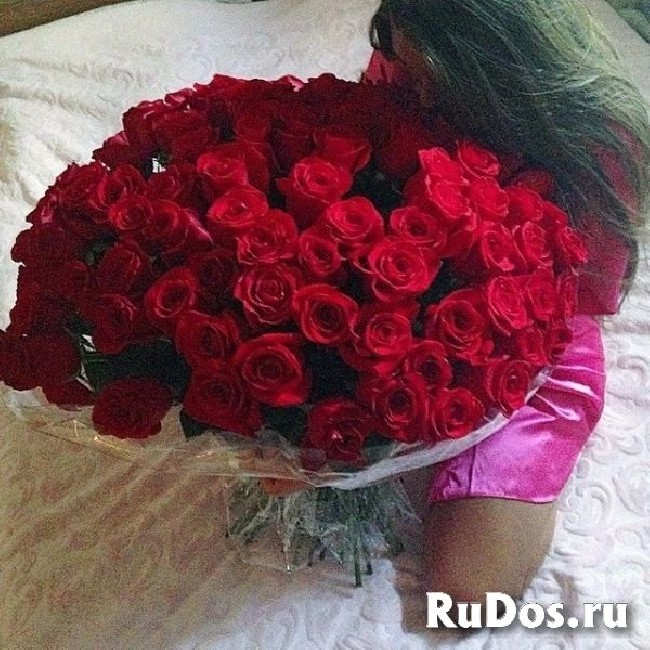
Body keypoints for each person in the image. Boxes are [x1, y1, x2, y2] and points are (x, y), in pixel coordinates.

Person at [361, 0, 649, 609]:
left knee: (468, 593)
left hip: (539, 333)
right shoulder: (400, 65)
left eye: (436, 75)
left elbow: (583, 297)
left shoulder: (596, 137)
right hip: (405, 303)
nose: (418, 92)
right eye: (406, 63)